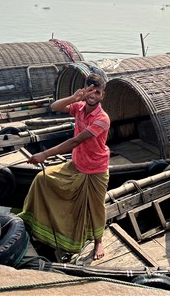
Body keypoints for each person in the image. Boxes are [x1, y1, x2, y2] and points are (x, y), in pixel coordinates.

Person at [19, 73, 110, 261]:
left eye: (97, 92)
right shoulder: (79, 107)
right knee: (42, 179)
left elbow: (76, 140)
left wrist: (44, 154)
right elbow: (54, 107)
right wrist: (74, 97)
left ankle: (98, 241)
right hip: (76, 164)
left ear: (102, 95)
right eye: (90, 91)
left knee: (96, 207)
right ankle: (32, 220)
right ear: (85, 90)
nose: (93, 95)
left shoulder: (102, 118)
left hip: (95, 168)